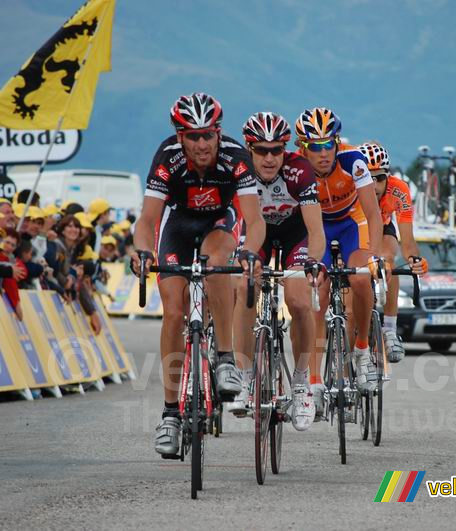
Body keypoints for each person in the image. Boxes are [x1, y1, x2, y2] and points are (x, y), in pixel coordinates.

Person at [129, 93, 265, 457]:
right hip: (178, 224)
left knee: (216, 262)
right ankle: (171, 415)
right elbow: (147, 220)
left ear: (219, 133)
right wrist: (142, 251)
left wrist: (250, 250)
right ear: (179, 136)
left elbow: (254, 220)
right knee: (174, 311)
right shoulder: (167, 158)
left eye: (208, 135)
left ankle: (224, 358)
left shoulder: (236, 157)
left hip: (219, 223)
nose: (202, 144)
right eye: (193, 136)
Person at [230, 111, 324, 431]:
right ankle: (244, 377)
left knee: (298, 301)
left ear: (286, 150)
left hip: (296, 234)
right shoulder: (239, 169)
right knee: (244, 290)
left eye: (277, 150)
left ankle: (301, 384)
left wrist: (313, 260)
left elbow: (316, 229)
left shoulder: (300, 170)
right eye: (261, 150)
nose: (270, 158)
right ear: (248, 148)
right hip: (258, 235)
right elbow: (234, 222)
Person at [294, 107, 383, 415]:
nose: (323, 153)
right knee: (317, 294)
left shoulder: (352, 161)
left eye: (328, 143)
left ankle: (361, 350)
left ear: (337, 142)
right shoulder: (297, 168)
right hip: (316, 227)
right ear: (302, 147)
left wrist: (374, 255)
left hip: (350, 223)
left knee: (360, 278)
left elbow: (373, 213)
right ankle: (316, 382)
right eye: (315, 147)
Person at [358, 141, 427, 363]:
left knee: (388, 261)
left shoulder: (399, 190)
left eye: (379, 178)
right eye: (368, 178)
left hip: (384, 225)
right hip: (355, 227)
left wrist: (415, 261)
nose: (375, 184)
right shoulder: (351, 190)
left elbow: (407, 240)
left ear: (388, 176)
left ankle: (389, 329)